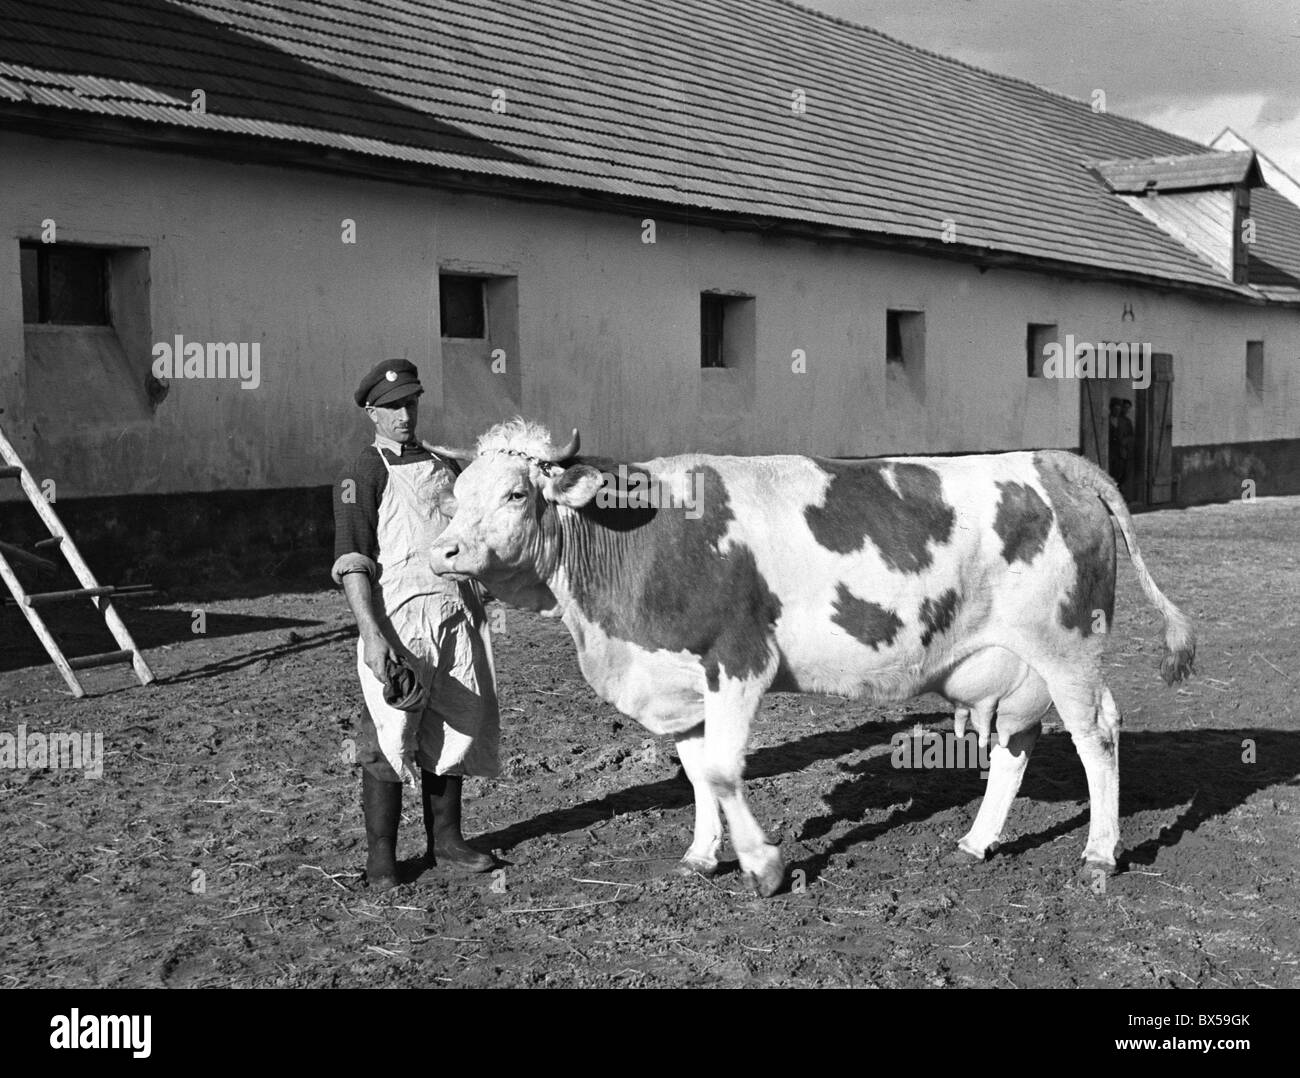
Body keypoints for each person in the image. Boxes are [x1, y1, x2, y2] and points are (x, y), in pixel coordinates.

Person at [332, 359, 498, 889]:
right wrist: (372, 636)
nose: (405, 414)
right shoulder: (364, 471)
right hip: (398, 622)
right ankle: (382, 855)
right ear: (371, 412)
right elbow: (353, 560)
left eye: (410, 403)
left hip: (455, 615)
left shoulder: (443, 465)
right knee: (389, 731)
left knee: (453, 726)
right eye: (392, 407)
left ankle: (446, 842)